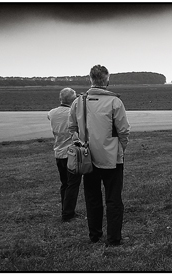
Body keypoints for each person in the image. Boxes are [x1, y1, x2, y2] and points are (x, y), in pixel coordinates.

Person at [68, 65, 131, 246]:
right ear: (106, 80)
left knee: (92, 197)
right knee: (113, 199)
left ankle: (94, 234)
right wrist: (120, 149)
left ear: (91, 79)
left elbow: (71, 128)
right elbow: (124, 131)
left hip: (87, 157)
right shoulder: (114, 102)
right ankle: (114, 238)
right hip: (112, 158)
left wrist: (79, 142)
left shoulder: (78, 102)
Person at [48, 87, 82, 222]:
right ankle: (68, 213)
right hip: (71, 153)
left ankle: (65, 208)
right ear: (72, 100)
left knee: (64, 183)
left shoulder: (52, 113)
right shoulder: (73, 113)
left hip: (58, 152)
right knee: (73, 184)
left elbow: (49, 116)